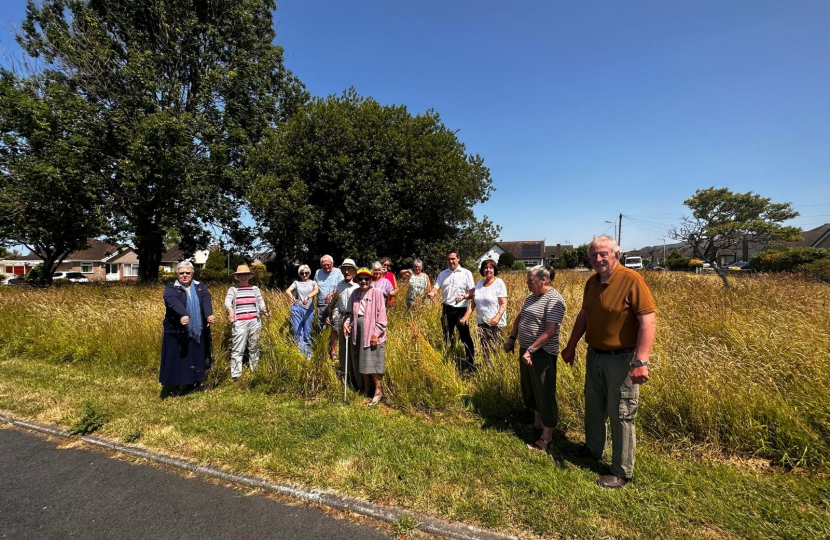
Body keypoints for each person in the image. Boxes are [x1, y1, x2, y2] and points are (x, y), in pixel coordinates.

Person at [561, 235, 656, 489]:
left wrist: (641, 361)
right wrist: (571, 346)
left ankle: (621, 471)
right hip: (595, 355)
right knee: (594, 406)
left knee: (621, 413)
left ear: (617, 254)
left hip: (622, 359)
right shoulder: (592, 282)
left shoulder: (631, 280)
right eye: (593, 255)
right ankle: (592, 450)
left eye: (603, 254)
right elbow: (585, 314)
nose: (598, 259)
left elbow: (647, 320)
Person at [504, 266, 565, 451]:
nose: (527, 283)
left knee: (544, 392)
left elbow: (551, 331)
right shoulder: (531, 297)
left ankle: (547, 437)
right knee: (531, 389)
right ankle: (537, 423)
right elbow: (519, 318)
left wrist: (531, 349)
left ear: (543, 280)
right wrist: (513, 339)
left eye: (530, 280)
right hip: (527, 350)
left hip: (542, 353)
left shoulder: (554, 299)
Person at [160, 261, 216, 395]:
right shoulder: (171, 287)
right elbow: (172, 301)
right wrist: (183, 314)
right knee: (182, 358)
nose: (185, 275)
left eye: (187, 273)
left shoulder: (200, 286)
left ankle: (200, 381)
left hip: (198, 328)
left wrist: (209, 315)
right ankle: (182, 384)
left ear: (192, 273)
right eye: (181, 273)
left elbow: (206, 299)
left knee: (199, 355)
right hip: (177, 330)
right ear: (177, 274)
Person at [344, 268, 387, 406]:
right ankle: (367, 389)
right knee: (363, 362)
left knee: (374, 363)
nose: (363, 281)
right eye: (360, 279)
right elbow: (352, 315)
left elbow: (382, 317)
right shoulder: (355, 293)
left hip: (373, 332)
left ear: (371, 280)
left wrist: (376, 334)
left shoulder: (377, 293)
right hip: (359, 331)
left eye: (366, 279)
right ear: (357, 280)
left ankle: (378, 392)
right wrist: (347, 324)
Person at [428, 249, 476, 371]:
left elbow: (472, 293)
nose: (451, 261)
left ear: (458, 259)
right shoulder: (443, 274)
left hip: (461, 310)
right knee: (447, 337)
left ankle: (470, 363)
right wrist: (432, 293)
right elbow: (436, 288)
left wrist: (464, 297)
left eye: (453, 259)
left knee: (465, 337)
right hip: (447, 309)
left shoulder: (466, 273)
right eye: (448, 259)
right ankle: (450, 361)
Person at [224, 265, 270, 381]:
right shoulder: (233, 289)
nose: (243, 277)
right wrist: (231, 312)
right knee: (238, 348)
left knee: (254, 346)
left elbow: (261, 302)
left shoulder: (255, 289)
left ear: (249, 276)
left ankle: (255, 370)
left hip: (255, 321)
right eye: (240, 275)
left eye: (245, 275)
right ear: (237, 277)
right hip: (239, 322)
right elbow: (227, 301)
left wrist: (265, 312)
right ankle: (236, 374)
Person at [460, 258, 507, 360]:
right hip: (482, 323)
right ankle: (486, 371)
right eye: (485, 268)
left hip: (496, 324)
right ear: (482, 270)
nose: (488, 270)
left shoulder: (499, 283)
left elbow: (503, 304)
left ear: (494, 270)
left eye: (490, 267)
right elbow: (473, 303)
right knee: (485, 349)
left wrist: (497, 317)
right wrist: (466, 316)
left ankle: (498, 373)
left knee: (496, 350)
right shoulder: (479, 284)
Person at [328, 258, 361, 390]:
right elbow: (336, 302)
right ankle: (345, 376)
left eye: (349, 269)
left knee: (354, 348)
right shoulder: (340, 285)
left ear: (354, 270)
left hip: (354, 318)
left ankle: (356, 379)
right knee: (343, 348)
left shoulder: (358, 286)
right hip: (342, 317)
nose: (346, 271)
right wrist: (334, 317)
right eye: (344, 269)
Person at [285, 265, 318, 359]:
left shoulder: (313, 282)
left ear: (309, 273)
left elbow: (316, 290)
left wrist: (308, 297)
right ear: (299, 274)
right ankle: (300, 354)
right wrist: (292, 297)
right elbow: (288, 291)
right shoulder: (296, 283)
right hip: (297, 309)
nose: (304, 275)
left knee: (307, 332)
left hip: (309, 310)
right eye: (302, 273)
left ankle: (308, 355)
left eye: (306, 273)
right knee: (298, 331)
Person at [314, 255, 343, 331]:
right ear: (321, 265)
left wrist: (331, 294)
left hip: (335, 305)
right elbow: (314, 287)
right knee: (321, 327)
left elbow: (341, 286)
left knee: (334, 326)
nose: (326, 267)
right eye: (324, 265)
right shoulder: (318, 272)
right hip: (321, 305)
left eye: (328, 265)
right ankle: (322, 342)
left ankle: (333, 342)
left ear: (332, 263)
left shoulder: (338, 272)